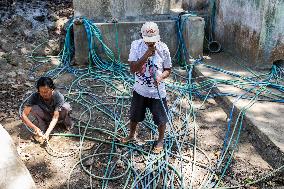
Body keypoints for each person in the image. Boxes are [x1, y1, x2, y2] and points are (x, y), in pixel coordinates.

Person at [122, 22, 172, 153]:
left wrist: (160, 77)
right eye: (148, 41)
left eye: (153, 40)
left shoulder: (163, 48)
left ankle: (160, 140)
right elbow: (133, 69)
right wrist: (146, 55)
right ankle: (132, 135)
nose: (151, 43)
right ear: (141, 36)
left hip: (158, 93)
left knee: (161, 118)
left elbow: (168, 69)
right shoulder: (136, 46)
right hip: (140, 91)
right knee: (134, 116)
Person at [21, 77, 73, 143]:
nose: (44, 94)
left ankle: (66, 123)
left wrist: (48, 133)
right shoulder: (34, 96)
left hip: (58, 116)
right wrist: (35, 128)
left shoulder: (58, 96)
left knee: (66, 107)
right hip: (46, 115)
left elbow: (55, 117)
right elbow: (24, 115)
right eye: (41, 92)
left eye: (46, 91)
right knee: (33, 108)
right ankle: (43, 126)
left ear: (52, 89)